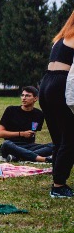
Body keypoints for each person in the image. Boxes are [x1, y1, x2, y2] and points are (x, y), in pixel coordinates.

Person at [39, 11, 74, 198]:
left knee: (58, 139)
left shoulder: (61, 37)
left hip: (46, 84)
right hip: (60, 83)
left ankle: (57, 181)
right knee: (70, 138)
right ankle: (59, 186)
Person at [0, 86, 53, 163]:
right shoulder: (11, 110)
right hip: (11, 146)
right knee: (6, 144)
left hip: (29, 146)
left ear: (35, 99)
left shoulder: (39, 114)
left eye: (27, 96)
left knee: (55, 145)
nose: (24, 98)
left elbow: (33, 131)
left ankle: (19, 157)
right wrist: (21, 134)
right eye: (22, 95)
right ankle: (42, 159)